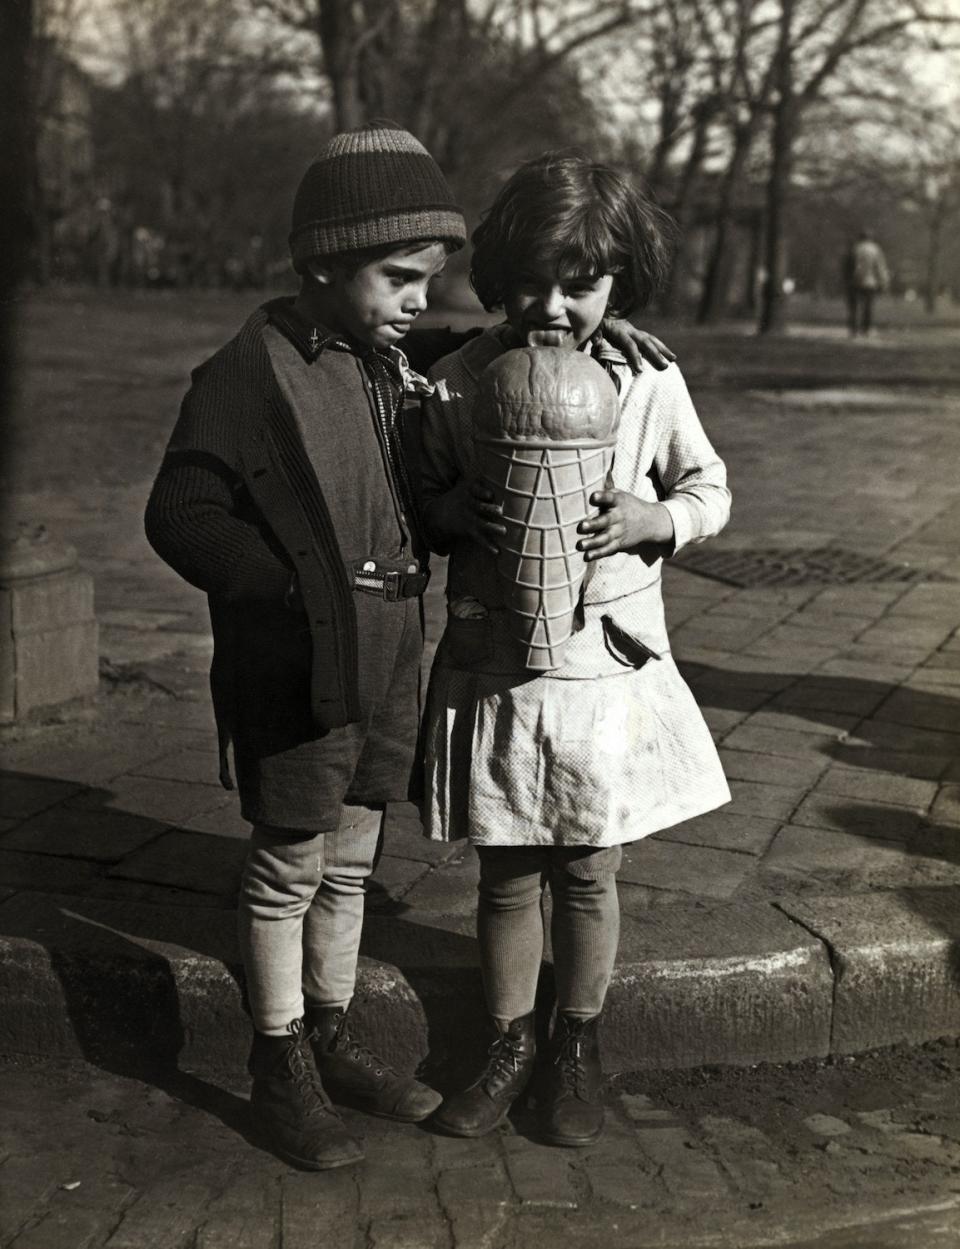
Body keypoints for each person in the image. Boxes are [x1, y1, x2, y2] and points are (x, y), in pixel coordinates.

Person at [144, 123, 672, 1172]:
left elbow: (473, 356)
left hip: (383, 659)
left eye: (429, 279)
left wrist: (612, 340)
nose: (421, 301)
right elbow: (181, 510)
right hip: (295, 663)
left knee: (349, 861)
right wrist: (286, 586)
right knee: (286, 865)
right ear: (324, 262)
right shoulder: (248, 370)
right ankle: (277, 1055)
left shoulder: (388, 356)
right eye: (400, 278)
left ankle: (332, 1033)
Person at [418, 151, 732, 1148]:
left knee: (589, 868)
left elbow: (709, 488)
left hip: (602, 664)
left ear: (620, 284)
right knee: (507, 868)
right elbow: (414, 495)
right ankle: (506, 1041)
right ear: (499, 278)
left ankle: (577, 1045)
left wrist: (654, 518)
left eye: (582, 284)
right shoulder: (459, 383)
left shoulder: (647, 378)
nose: (552, 305)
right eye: (531, 283)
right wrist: (448, 511)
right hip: (501, 665)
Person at [843, 230, 889, 337]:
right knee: (868, 306)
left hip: (854, 280)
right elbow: (880, 266)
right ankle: (866, 329)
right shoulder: (875, 249)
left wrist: (846, 279)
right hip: (870, 281)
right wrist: (883, 281)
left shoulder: (854, 248)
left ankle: (853, 328)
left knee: (853, 307)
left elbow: (848, 265)